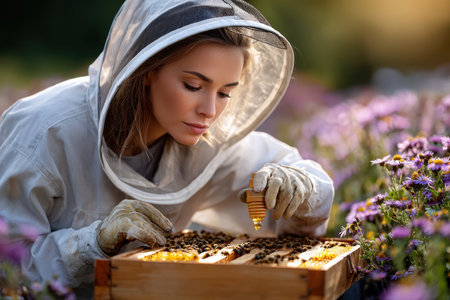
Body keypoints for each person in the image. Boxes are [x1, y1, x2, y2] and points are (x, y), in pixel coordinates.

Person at [0, 0, 334, 298]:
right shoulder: (43, 130)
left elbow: (300, 176)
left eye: (224, 92)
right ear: (146, 70)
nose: (210, 111)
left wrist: (298, 186)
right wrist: (94, 243)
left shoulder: (207, 143)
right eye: (193, 85)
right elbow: (7, 264)